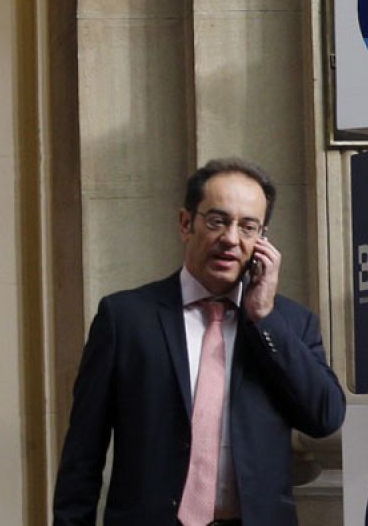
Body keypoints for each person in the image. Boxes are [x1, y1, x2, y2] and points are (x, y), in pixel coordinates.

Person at [52, 158, 346, 525]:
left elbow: (325, 417)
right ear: (186, 223)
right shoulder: (125, 319)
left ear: (262, 240)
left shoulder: (288, 324)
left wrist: (264, 318)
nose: (231, 239)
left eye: (248, 227)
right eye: (217, 220)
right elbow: (83, 451)